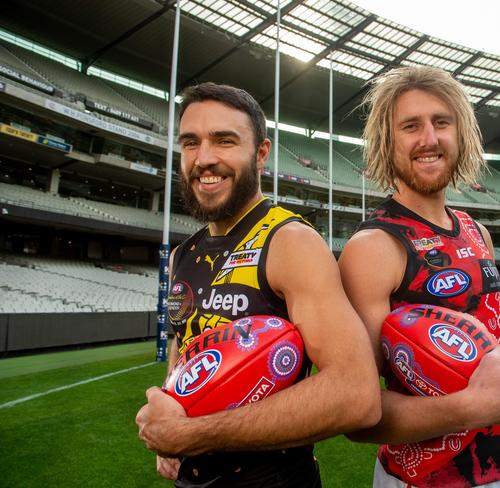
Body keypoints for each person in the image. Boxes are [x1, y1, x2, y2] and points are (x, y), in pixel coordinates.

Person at [135, 82, 381, 487]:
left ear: (260, 153)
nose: (204, 159)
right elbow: (183, 352)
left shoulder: (289, 242)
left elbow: (357, 395)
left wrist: (193, 433)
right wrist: (171, 412)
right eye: (191, 143)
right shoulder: (183, 256)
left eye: (224, 141)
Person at [338, 66, 500, 488]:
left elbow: (497, 339)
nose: (429, 138)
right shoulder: (373, 248)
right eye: (411, 126)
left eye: (441, 122)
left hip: (495, 471)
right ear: (389, 143)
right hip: (417, 479)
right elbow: (359, 413)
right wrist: (477, 408)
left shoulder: (477, 233)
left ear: (459, 134)